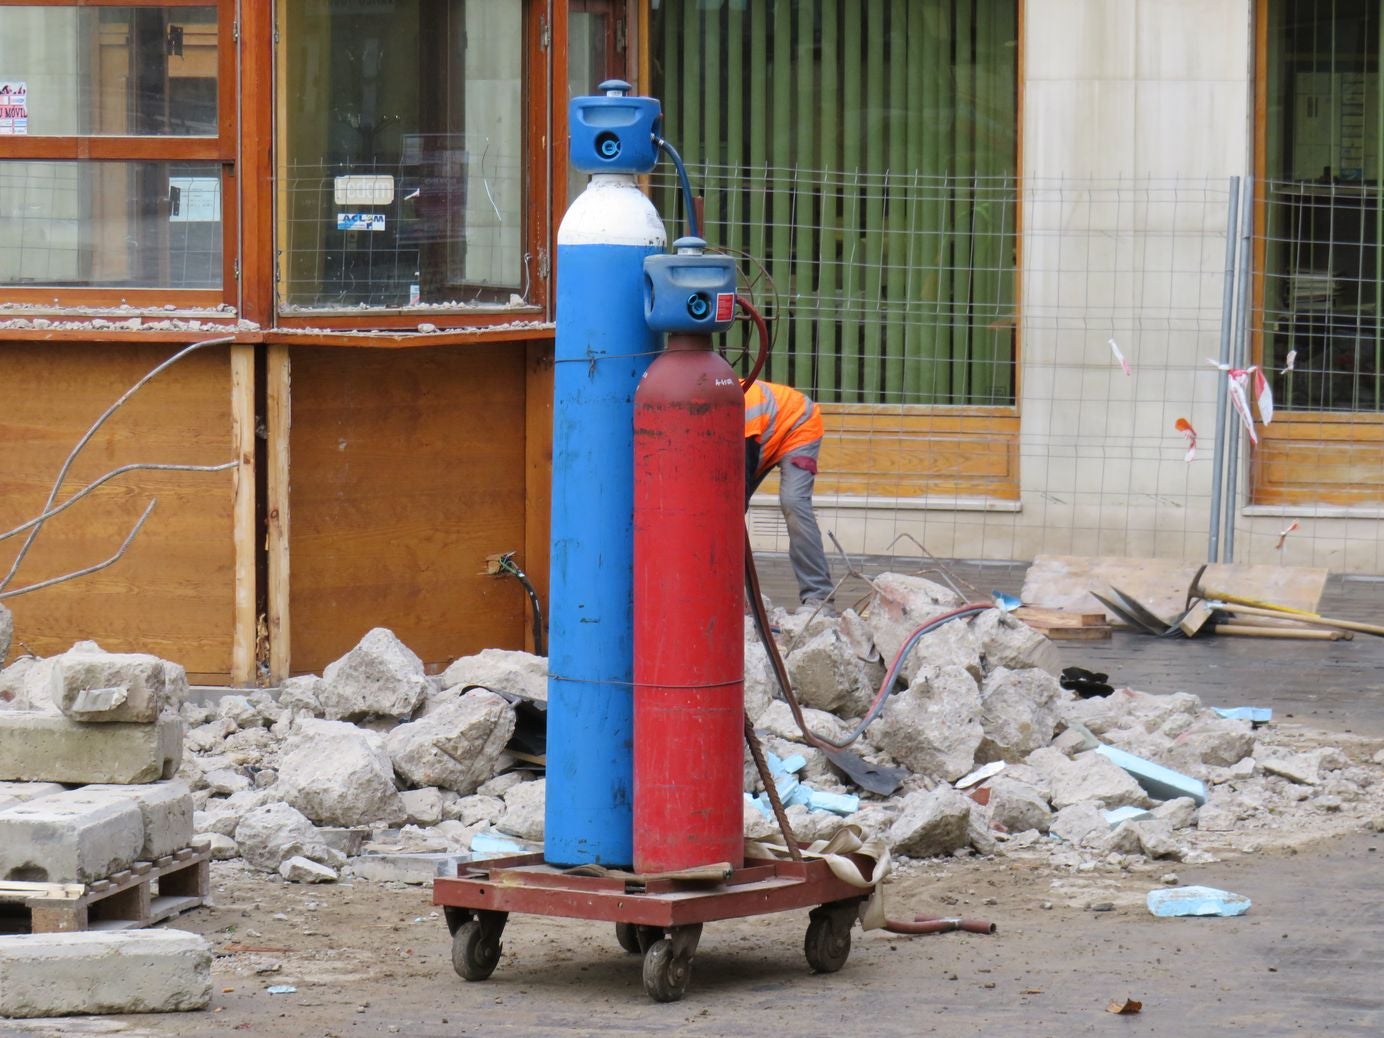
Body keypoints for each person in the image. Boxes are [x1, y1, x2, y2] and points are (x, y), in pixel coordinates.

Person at [743, 378, 834, 607]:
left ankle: (818, 597)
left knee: (794, 502)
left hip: (798, 422)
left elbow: (734, 499)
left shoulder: (737, 417)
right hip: (765, 430)